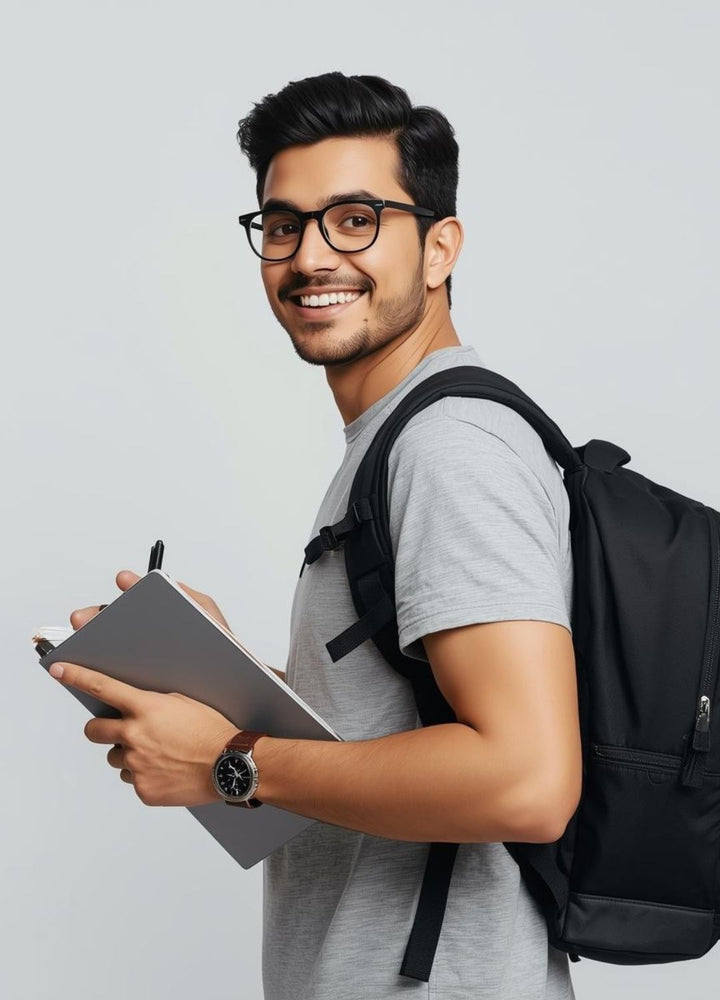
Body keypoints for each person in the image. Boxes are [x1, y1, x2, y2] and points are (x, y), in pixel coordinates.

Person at [53, 72, 582, 999]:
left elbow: (527, 781)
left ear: (440, 248)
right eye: (285, 224)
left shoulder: (449, 449)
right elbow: (399, 730)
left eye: (356, 218)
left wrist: (230, 764)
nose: (308, 257)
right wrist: (234, 684)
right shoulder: (391, 442)